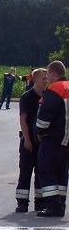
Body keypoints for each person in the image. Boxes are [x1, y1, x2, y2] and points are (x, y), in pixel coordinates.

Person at [35, 60, 69, 218]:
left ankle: (52, 207)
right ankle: (60, 205)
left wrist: (39, 131)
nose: (47, 77)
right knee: (62, 173)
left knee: (46, 169)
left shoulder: (54, 89)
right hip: (66, 140)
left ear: (54, 73)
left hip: (53, 138)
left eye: (48, 74)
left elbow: (45, 115)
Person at [15, 68, 48, 212]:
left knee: (41, 173)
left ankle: (40, 204)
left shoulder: (48, 96)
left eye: (47, 78)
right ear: (35, 80)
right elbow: (23, 119)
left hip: (43, 142)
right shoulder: (27, 97)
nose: (46, 80)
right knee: (25, 172)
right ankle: (22, 203)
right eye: (43, 78)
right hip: (29, 141)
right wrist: (27, 140)